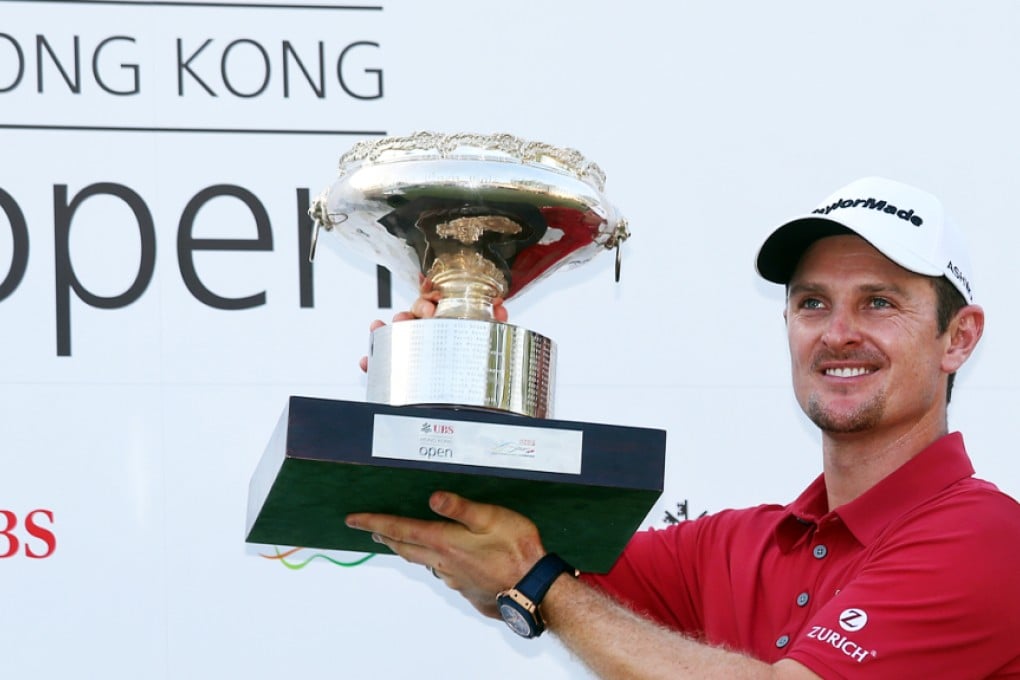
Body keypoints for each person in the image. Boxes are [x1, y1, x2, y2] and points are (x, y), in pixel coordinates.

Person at [345, 176, 1020, 678]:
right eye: (813, 303)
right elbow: (496, 542)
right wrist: (446, 383)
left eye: (880, 303)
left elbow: (535, 574)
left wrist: (540, 583)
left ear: (957, 339)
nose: (839, 334)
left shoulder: (992, 538)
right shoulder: (736, 545)